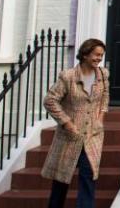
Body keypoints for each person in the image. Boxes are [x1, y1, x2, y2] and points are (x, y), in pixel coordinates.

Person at [42, 38, 110, 208]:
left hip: (92, 135)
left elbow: (104, 98)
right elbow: (50, 101)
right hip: (69, 136)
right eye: (96, 55)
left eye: (101, 55)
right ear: (85, 54)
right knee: (62, 178)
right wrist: (66, 123)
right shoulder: (68, 76)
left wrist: (100, 117)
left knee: (88, 176)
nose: (98, 58)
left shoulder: (103, 74)